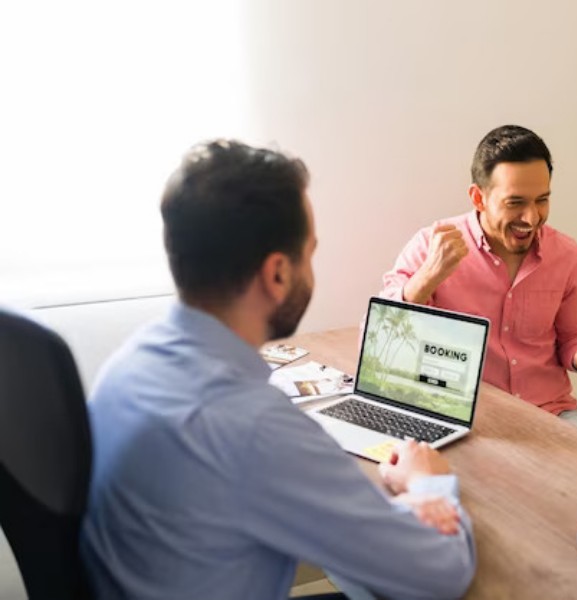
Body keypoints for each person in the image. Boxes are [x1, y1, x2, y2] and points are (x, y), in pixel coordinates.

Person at [80, 140, 476, 599]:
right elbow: (441, 573)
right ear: (277, 274)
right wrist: (429, 486)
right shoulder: (251, 426)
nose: (312, 269)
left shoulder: (131, 361)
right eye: (310, 252)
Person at [380, 125, 577, 434]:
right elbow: (381, 342)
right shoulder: (432, 245)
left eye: (542, 200)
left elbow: (571, 343)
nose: (531, 218)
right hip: (465, 418)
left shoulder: (568, 257)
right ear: (478, 197)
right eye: (515, 203)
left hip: (549, 414)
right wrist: (428, 277)